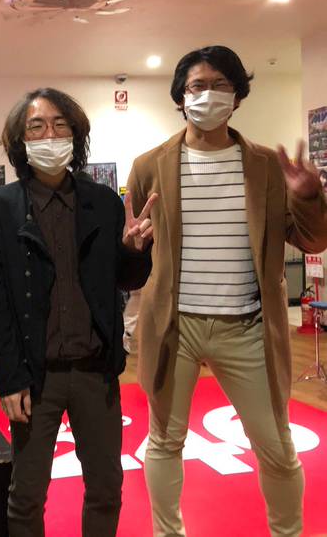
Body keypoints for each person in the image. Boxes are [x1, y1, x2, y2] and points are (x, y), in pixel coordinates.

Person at [127, 45, 327, 537]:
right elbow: (135, 246)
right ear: (180, 97)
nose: (208, 95)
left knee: (277, 447)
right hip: (175, 326)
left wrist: (308, 197)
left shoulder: (266, 166)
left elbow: (312, 240)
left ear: (237, 97)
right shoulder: (149, 166)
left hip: (249, 326)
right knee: (164, 441)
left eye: (220, 85)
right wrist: (129, 246)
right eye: (197, 86)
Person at [0, 87, 156, 536]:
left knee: (107, 488)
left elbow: (126, 280)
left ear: (76, 135)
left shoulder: (104, 203)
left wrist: (134, 251)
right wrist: (9, 377)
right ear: (20, 141)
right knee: (27, 494)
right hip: (35, 377)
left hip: (96, 370)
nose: (50, 135)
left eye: (60, 125)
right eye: (36, 127)